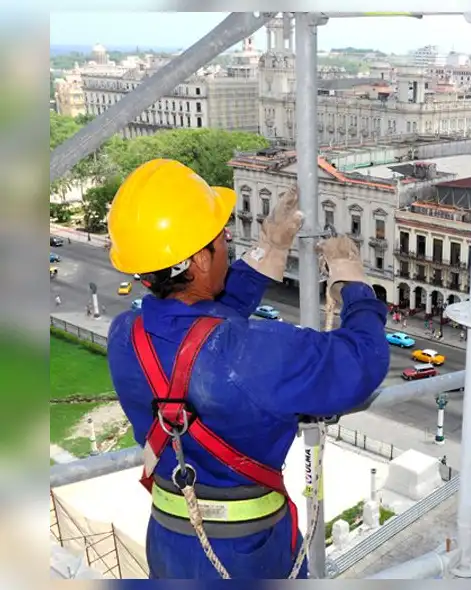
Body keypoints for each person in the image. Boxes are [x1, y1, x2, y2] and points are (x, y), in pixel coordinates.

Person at [104, 159, 390, 579]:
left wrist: (267, 251)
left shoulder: (125, 334)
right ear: (200, 261)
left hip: (170, 539)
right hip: (248, 554)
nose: (226, 240)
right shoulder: (252, 352)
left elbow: (202, 327)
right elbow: (363, 361)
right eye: (219, 238)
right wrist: (354, 284)